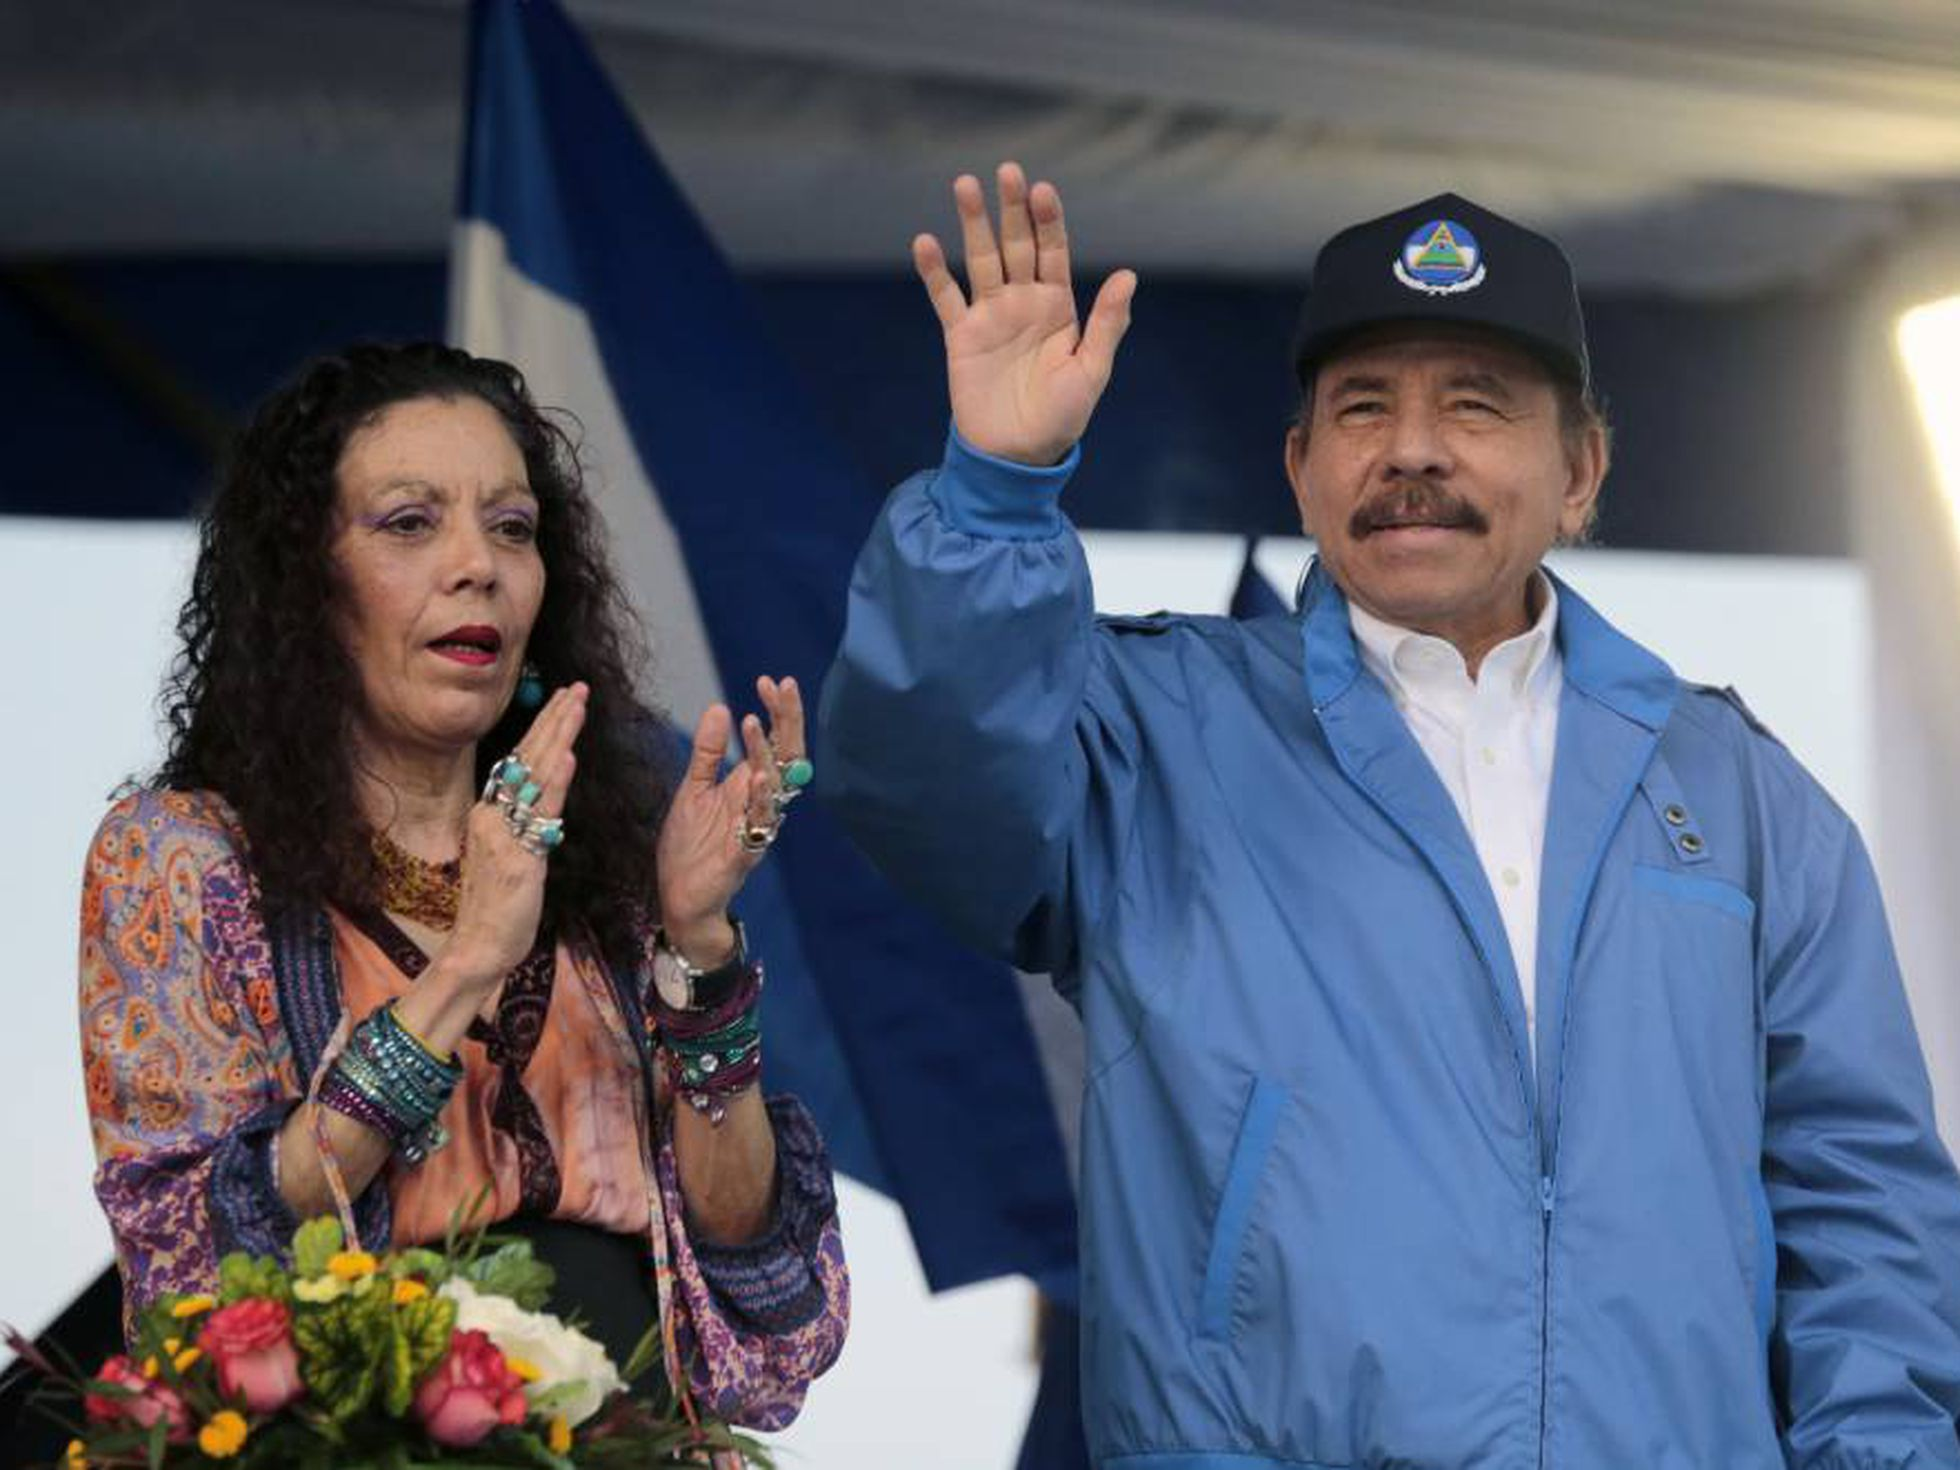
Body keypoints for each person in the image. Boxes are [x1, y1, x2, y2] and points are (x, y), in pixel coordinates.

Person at [819, 164, 1960, 1467]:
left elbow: (1864, 1201)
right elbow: (927, 795)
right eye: (1363, 407)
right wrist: (994, 493)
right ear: (1301, 471)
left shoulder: (1740, 794)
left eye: (1474, 403)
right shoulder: (1147, 734)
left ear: (1580, 471)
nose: (1412, 449)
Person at [80, 341, 846, 1430]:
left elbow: (754, 1279)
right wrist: (467, 964)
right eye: (409, 523)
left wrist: (697, 945)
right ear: (305, 584)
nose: (477, 564)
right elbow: (196, 1261)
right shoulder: (183, 861)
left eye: (513, 527)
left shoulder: (606, 872)